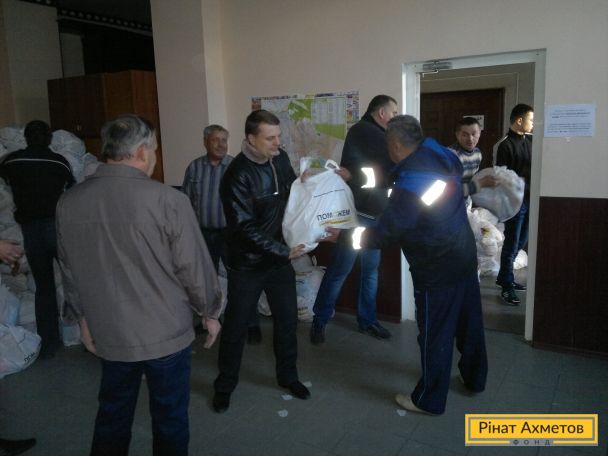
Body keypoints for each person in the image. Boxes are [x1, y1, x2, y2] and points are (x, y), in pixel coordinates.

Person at [56, 114, 223, 456]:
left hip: (109, 330)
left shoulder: (70, 201)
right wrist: (210, 312)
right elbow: (193, 267)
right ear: (143, 151)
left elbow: (69, 270)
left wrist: (82, 318)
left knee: (112, 414)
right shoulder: (168, 200)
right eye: (156, 149)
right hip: (165, 333)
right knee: (170, 418)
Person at [361, 115, 487, 415]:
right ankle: (474, 379)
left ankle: (429, 400)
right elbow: (444, 195)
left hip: (436, 266)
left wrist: (345, 237)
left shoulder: (410, 184)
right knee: (470, 324)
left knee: (435, 333)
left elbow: (387, 232)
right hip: (463, 255)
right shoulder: (445, 157)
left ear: (394, 145)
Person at [212, 109, 337, 413]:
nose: (278, 143)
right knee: (236, 327)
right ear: (251, 139)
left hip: (279, 260)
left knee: (287, 321)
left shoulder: (279, 159)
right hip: (248, 264)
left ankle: (288, 377)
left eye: (279, 136)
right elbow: (244, 227)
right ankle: (224, 386)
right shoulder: (237, 175)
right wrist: (283, 251)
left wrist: (305, 184)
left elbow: (292, 195)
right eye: (270, 138)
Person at [310, 95, 398, 345]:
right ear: (381, 113)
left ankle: (367, 320)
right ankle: (320, 320)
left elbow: (378, 172)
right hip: (357, 216)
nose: (395, 117)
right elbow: (383, 169)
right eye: (393, 112)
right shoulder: (367, 132)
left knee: (369, 271)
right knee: (340, 270)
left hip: (374, 216)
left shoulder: (374, 133)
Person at [0, 120, 75, 359]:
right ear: (49, 139)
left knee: (44, 287)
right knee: (75, 282)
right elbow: (72, 189)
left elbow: (3, 179)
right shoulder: (59, 162)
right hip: (56, 227)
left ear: (26, 137)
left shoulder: (12, 161)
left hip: (30, 230)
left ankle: (48, 344)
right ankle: (87, 332)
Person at [181, 125, 261, 345]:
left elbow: (249, 202)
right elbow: (186, 201)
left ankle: (251, 323)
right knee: (205, 280)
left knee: (240, 279)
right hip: (203, 235)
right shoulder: (194, 167)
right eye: (215, 140)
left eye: (224, 140)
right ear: (205, 142)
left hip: (231, 235)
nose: (221, 144)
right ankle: (208, 319)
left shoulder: (236, 167)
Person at [494, 104, 533, 305]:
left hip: (529, 200)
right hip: (514, 203)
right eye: (531, 119)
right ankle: (507, 286)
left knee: (521, 241)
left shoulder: (530, 141)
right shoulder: (505, 145)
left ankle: (504, 277)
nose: (533, 123)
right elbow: (502, 178)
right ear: (519, 120)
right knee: (511, 244)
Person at [449, 117, 496, 198]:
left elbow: (473, 180)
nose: (470, 139)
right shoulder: (450, 156)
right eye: (465, 135)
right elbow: (450, 192)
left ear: (479, 134)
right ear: (457, 135)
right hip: (452, 203)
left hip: (468, 201)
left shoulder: (477, 153)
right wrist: (481, 183)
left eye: (474, 134)